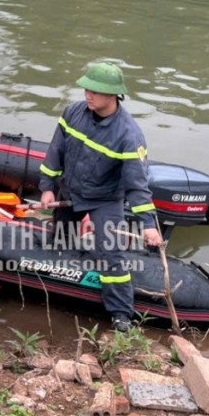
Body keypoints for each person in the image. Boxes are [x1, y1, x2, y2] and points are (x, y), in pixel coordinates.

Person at [38, 62, 163, 333]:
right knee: (60, 238)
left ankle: (120, 314)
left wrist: (149, 224)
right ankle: (60, 280)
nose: (88, 95)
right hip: (69, 190)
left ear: (113, 95)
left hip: (104, 199)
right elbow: (55, 151)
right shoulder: (73, 112)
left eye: (95, 91)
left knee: (112, 253)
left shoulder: (128, 135)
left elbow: (137, 185)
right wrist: (47, 187)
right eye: (87, 89)